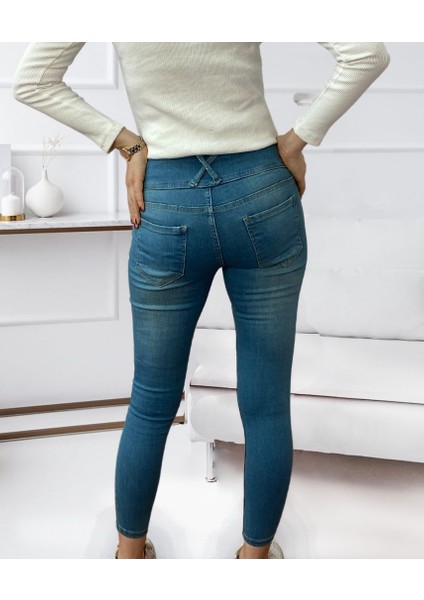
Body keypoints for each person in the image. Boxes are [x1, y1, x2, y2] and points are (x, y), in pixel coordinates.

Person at [12, 42, 390, 559]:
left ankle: (129, 556)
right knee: (266, 403)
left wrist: (126, 144)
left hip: (166, 199)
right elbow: (367, 53)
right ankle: (254, 559)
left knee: (151, 399)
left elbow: (33, 80)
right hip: (261, 188)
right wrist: (297, 140)